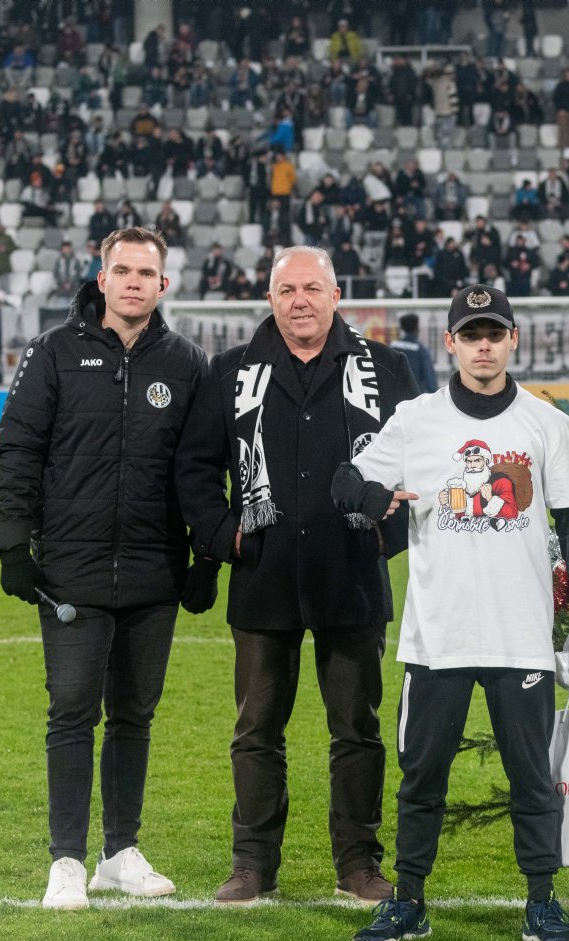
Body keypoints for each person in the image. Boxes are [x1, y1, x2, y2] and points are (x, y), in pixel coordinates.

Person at [332, 283, 569, 941]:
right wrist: (371, 499)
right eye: (470, 335)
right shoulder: (416, 421)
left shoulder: (546, 425)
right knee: (421, 779)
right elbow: (345, 480)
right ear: (450, 343)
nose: (483, 346)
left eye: (493, 334)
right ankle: (408, 900)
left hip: (521, 637)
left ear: (513, 340)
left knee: (533, 781)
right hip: (438, 637)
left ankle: (542, 902)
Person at [175, 246, 419, 907]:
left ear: (337, 295)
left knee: (357, 729)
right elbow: (194, 468)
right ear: (271, 299)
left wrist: (385, 536)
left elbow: (421, 464)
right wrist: (225, 537)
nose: (300, 300)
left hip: (352, 575)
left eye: (313, 288)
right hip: (264, 576)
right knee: (256, 731)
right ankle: (252, 865)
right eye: (287, 290)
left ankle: (359, 865)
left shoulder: (385, 368)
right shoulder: (231, 371)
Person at [0, 228, 213, 910]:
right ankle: (65, 861)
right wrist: (12, 544)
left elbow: (202, 469)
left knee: (134, 716)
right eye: (123, 270)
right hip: (71, 570)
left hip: (154, 569)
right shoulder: (54, 352)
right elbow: (18, 447)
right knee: (71, 713)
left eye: (147, 273)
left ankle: (119, 853)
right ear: (102, 277)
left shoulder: (187, 362)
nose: (134, 282)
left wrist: (205, 556)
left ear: (163, 285)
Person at [393, 313, 439, 394]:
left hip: (395, 394)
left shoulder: (393, 347)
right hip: (415, 396)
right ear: (417, 328)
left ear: (402, 328)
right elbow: (430, 379)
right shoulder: (421, 350)